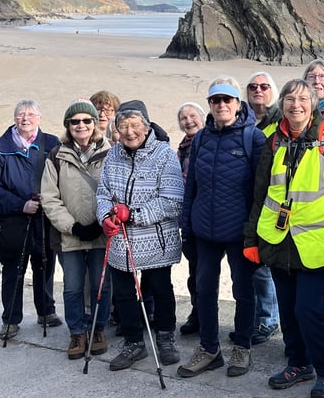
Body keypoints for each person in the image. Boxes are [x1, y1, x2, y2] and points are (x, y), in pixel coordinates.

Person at [243, 78, 324, 398]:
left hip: (316, 243)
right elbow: (260, 192)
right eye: (290, 99)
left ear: (314, 103)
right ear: (282, 103)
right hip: (277, 240)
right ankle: (298, 363)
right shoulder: (272, 141)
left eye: (303, 99)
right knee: (289, 310)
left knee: (310, 311)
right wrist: (251, 238)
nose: (296, 105)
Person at [178, 79, 265, 378]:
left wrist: (254, 232)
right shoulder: (201, 138)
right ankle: (209, 348)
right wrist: (186, 226)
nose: (222, 105)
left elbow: (260, 191)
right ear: (210, 106)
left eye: (227, 100)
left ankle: (242, 346)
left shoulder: (253, 139)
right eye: (216, 101)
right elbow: (192, 185)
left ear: (238, 104)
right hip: (204, 230)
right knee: (204, 290)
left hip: (240, 232)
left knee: (243, 291)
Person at [96, 100, 184, 371]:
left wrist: (132, 214)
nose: (130, 131)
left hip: (156, 241)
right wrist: (105, 217)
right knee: (123, 294)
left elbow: (172, 201)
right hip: (121, 242)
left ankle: (165, 338)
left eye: (134, 125)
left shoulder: (165, 154)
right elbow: (102, 193)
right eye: (123, 126)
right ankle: (134, 343)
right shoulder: (113, 155)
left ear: (146, 126)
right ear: (116, 130)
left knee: (161, 290)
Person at [40, 100, 112, 360]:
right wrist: (73, 227)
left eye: (86, 120)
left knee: (100, 285)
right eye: (75, 121)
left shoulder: (110, 152)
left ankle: (98, 329)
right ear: (68, 126)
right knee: (71, 287)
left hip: (102, 233)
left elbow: (117, 190)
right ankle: (77, 332)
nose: (81, 125)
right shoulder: (56, 155)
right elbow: (49, 197)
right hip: (69, 236)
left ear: (94, 123)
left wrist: (102, 221)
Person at [0, 100, 61, 339]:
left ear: (39, 117)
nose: (25, 118)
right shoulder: (0, 146)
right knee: (13, 270)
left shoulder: (51, 143)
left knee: (45, 265)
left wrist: (47, 200)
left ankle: (46, 310)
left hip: (45, 217)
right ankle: (10, 319)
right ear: (14, 118)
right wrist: (20, 204)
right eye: (20, 114)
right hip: (12, 220)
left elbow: (63, 178)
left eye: (30, 114)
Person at [244, 71, 282, 345]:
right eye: (253, 86)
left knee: (265, 266)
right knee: (252, 265)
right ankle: (258, 317)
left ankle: (269, 320)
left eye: (264, 86)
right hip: (246, 201)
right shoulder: (243, 121)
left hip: (273, 203)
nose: (258, 90)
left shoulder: (280, 122)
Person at [175, 101, 205, 336]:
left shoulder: (207, 142)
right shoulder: (182, 148)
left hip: (207, 215)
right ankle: (198, 314)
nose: (188, 121)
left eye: (192, 115)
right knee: (195, 272)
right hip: (190, 219)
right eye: (183, 118)